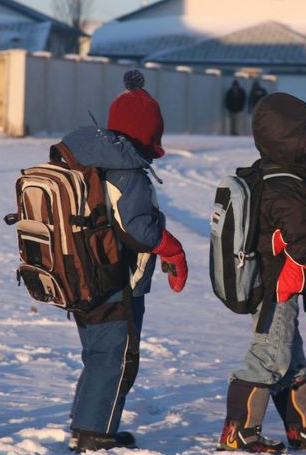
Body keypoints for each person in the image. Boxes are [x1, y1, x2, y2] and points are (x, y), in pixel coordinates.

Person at [61, 69, 189, 452]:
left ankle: (89, 426)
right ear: (149, 134)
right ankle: (94, 436)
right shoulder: (126, 170)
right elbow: (138, 231)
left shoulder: (89, 160)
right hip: (114, 279)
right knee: (113, 358)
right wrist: (172, 247)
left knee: (99, 354)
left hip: (81, 273)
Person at [217, 92, 306, 453]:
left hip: (280, 285)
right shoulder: (284, 186)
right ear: (287, 138)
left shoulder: (273, 175)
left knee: (289, 356)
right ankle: (238, 432)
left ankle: (305, 427)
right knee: (270, 356)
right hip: (274, 287)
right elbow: (304, 240)